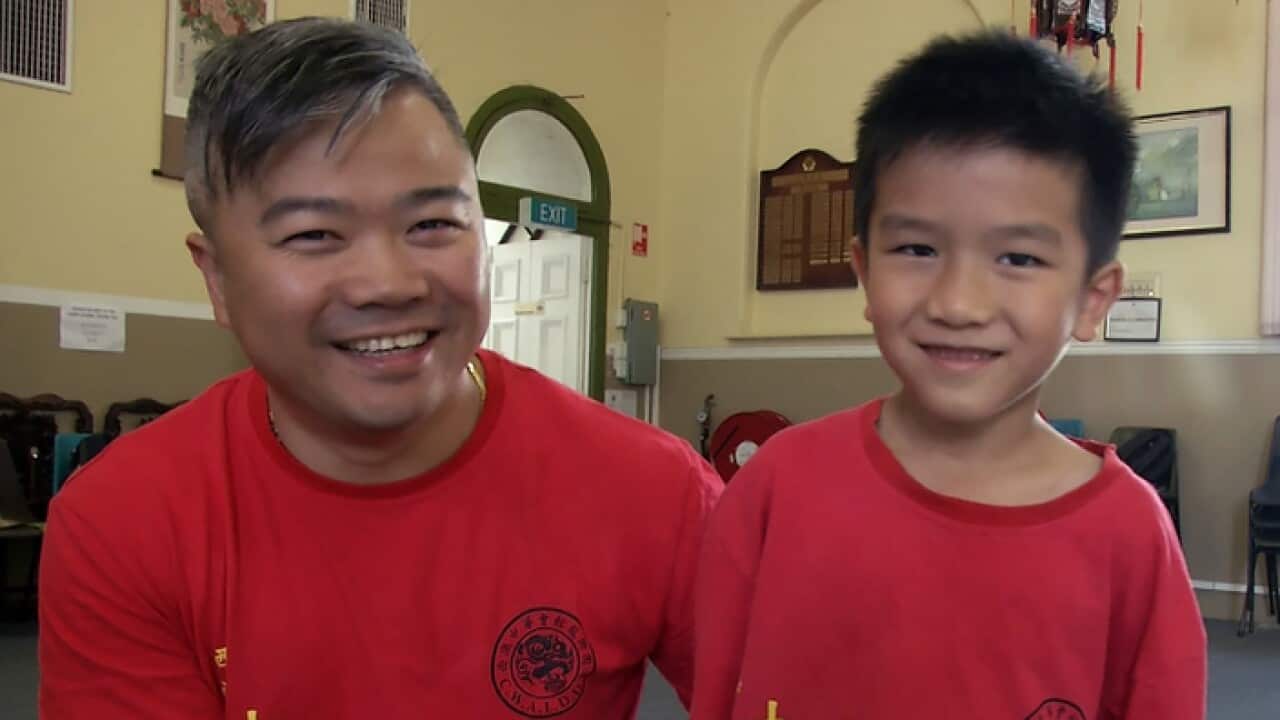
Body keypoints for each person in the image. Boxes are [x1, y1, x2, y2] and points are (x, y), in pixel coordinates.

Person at [39, 17, 721, 719]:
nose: (388, 284)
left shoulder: (657, 490)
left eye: (432, 224)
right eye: (314, 235)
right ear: (217, 278)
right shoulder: (126, 523)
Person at [690, 31, 1206, 720]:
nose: (958, 304)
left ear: (1092, 299)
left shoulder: (1130, 535)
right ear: (865, 270)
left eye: (1018, 259)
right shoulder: (776, 487)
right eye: (916, 248)